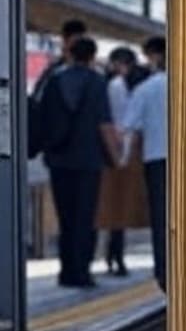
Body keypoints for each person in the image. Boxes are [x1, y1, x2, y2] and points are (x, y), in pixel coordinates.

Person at [38, 35, 119, 288]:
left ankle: (66, 272)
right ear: (93, 57)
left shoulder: (54, 81)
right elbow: (104, 123)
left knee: (66, 218)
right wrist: (115, 157)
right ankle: (82, 272)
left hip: (59, 159)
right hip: (88, 160)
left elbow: (42, 116)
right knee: (85, 217)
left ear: (70, 54)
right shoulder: (97, 82)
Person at [95, 46, 149, 275]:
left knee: (113, 208)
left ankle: (112, 254)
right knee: (118, 208)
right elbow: (124, 122)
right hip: (121, 152)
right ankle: (114, 255)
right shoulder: (120, 85)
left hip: (112, 153)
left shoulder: (113, 84)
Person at [122, 35, 167, 292]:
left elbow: (129, 127)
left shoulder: (145, 89)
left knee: (162, 219)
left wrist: (123, 159)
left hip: (155, 160)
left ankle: (164, 272)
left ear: (153, 56)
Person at [28, 18, 86, 159]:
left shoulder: (89, 73)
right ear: (65, 43)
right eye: (74, 43)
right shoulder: (54, 71)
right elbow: (39, 102)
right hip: (58, 145)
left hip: (77, 145)